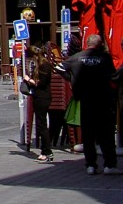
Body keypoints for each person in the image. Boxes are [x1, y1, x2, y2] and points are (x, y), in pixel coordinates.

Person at [56, 33, 118, 174]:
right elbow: (113, 75)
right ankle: (109, 165)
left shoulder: (77, 57)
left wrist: (72, 79)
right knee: (106, 134)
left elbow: (59, 68)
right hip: (103, 99)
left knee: (88, 135)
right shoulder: (104, 57)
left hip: (85, 99)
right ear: (99, 44)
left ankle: (90, 165)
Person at [22, 43, 54, 162]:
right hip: (41, 97)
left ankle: (47, 151)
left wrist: (28, 80)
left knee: (41, 125)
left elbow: (41, 83)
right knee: (41, 124)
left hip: (42, 97)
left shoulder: (44, 66)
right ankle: (45, 150)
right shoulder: (41, 65)